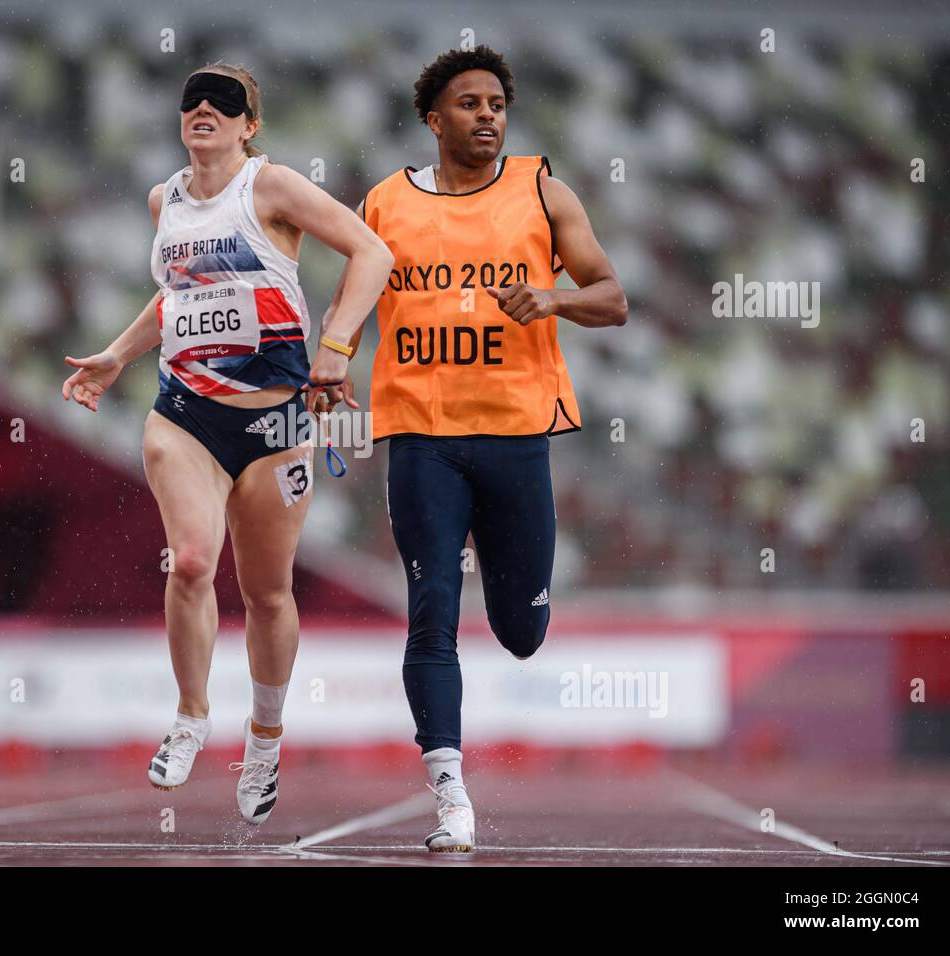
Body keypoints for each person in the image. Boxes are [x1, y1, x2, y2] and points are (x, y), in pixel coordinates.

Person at [308, 46, 628, 851]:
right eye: (469, 104)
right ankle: (450, 791)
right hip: (423, 436)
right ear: (433, 118)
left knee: (521, 631)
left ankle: (513, 599)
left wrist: (552, 296)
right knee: (432, 614)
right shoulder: (384, 203)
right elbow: (351, 296)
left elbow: (614, 298)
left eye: (496, 104)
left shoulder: (543, 190)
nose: (487, 115)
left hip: (519, 435)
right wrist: (332, 361)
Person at [63, 63, 391, 825]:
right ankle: (189, 716)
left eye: (227, 102)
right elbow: (183, 293)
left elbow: (372, 252)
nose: (205, 107)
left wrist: (337, 347)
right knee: (194, 562)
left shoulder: (271, 188)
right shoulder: (163, 200)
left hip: (276, 425)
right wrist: (119, 353)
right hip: (186, 417)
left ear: (250, 125)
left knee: (268, 592)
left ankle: (266, 741)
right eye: (192, 99)